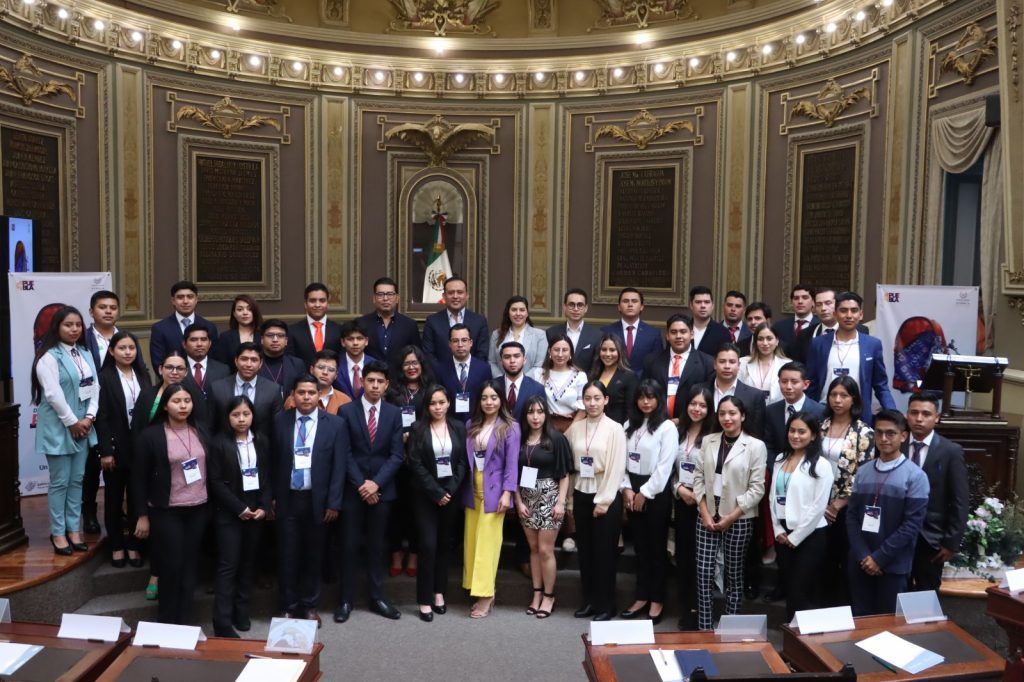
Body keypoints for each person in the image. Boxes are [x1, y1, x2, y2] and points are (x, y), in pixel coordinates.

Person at [272, 374, 347, 625]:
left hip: (318, 500)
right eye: (301, 393)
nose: (306, 397)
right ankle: (287, 606)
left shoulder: (335, 424)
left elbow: (339, 467)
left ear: (319, 396)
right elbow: (271, 463)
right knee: (287, 555)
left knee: (314, 556)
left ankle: (309, 606)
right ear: (292, 395)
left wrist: (334, 502)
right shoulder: (279, 422)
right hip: (287, 499)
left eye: (311, 393)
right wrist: (271, 497)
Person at [132, 384, 210, 625]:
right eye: (177, 401)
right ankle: (167, 621)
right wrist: (142, 515)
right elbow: (138, 478)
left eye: (187, 400)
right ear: (165, 405)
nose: (184, 405)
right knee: (171, 566)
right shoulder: (151, 435)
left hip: (198, 508)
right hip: (167, 511)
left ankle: (185, 621)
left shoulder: (201, 430)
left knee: (189, 567)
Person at [336, 361, 405, 623]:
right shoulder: (346, 411)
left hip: (382, 491)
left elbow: (397, 455)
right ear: (362, 382)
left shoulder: (393, 413)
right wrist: (362, 485)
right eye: (371, 380)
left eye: (380, 381)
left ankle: (377, 598)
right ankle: (345, 600)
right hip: (353, 491)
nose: (375, 385)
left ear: (387, 385)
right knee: (349, 546)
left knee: (378, 547)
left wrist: (376, 483)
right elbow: (345, 452)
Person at [692, 395, 766, 631]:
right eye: (722, 413)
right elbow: (698, 478)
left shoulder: (755, 446)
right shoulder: (708, 441)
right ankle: (705, 627)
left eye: (733, 413)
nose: (727, 418)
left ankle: (729, 629)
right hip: (707, 511)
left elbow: (757, 488)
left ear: (742, 416)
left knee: (734, 575)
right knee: (703, 572)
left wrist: (731, 517)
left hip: (738, 516)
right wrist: (704, 512)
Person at [846, 409, 929, 616]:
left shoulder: (915, 476)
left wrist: (879, 558)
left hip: (893, 566)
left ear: (903, 436)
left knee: (889, 626)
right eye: (879, 432)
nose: (883, 438)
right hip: (860, 562)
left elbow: (911, 525)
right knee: (861, 622)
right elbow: (852, 516)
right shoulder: (864, 471)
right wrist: (864, 555)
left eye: (890, 433)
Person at [130, 349, 198, 601]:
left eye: (180, 368)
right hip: (152, 469)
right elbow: (137, 429)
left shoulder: (191, 397)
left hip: (184, 479)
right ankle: (156, 574)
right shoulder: (148, 395)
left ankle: (165, 576)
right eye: (170, 367)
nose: (175, 372)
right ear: (160, 369)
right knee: (159, 530)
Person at [32, 305, 99, 555]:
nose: (74, 329)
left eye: (78, 325)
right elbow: (52, 394)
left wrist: (90, 416)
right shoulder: (47, 356)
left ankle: (74, 529)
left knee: (77, 480)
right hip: (61, 427)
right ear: (57, 327)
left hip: (84, 426)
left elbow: (95, 387)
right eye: (68, 325)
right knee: (60, 482)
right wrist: (73, 421)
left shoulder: (85, 353)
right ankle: (58, 533)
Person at [208, 396, 272, 637]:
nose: (242, 419)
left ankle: (241, 611)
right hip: (229, 513)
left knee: (248, 564)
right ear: (228, 418)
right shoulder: (218, 443)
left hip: (256, 512)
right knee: (228, 565)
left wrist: (264, 506)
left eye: (246, 414)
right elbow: (215, 482)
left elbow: (266, 476)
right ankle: (222, 621)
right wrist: (239, 508)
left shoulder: (262, 441)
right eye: (236, 415)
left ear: (253, 416)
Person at [405, 386, 468, 622]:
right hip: (425, 495)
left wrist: (449, 490)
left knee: (444, 544)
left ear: (449, 403)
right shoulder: (417, 428)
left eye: (442, 402)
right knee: (428, 545)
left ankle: (439, 592)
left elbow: (463, 462)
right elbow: (415, 463)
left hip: (449, 495)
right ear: (426, 406)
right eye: (433, 403)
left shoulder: (459, 427)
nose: (438, 407)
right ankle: (423, 599)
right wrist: (436, 492)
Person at [567, 381, 627, 622]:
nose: (592, 403)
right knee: (586, 553)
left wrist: (603, 501)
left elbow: (616, 467)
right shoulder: (575, 428)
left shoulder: (615, 429)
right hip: (582, 492)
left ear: (606, 400)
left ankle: (607, 605)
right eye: (588, 398)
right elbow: (571, 466)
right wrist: (570, 499)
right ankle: (589, 601)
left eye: (597, 398)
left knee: (604, 553)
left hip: (606, 495)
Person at [620, 379, 677, 625]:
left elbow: (665, 467)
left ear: (658, 400)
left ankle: (657, 598)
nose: (645, 402)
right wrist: (626, 489)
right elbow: (621, 461)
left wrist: (645, 492)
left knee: (655, 548)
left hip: (656, 493)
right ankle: (641, 595)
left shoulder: (666, 428)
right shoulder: (628, 426)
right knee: (640, 548)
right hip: (632, 489)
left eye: (650, 397)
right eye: (641, 397)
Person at [462, 379, 520, 618]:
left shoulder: (510, 427)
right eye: (485, 398)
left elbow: (512, 464)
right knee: (472, 542)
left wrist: (508, 493)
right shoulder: (470, 424)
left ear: (501, 400)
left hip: (495, 492)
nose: (489, 402)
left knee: (488, 544)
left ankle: (487, 594)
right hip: (472, 489)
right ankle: (476, 587)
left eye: (493, 398)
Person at [769, 412, 833, 621]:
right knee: (790, 588)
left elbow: (818, 507)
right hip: (783, 535)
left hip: (810, 536)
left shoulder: (821, 465)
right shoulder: (780, 459)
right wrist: (778, 529)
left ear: (813, 435)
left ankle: (803, 643)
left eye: (802, 431)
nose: (795, 435)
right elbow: (772, 497)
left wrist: (795, 537)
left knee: (802, 590)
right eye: (792, 430)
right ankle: (791, 638)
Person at [95, 331, 151, 568]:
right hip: (116, 450)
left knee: (139, 498)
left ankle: (134, 545)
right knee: (114, 499)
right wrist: (106, 450)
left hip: (141, 448)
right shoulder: (104, 377)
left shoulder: (143, 375)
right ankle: (117, 545)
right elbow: (102, 417)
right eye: (122, 348)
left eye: (132, 348)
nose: (128, 352)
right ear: (111, 351)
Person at [514, 395, 572, 619]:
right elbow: (514, 475)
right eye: (531, 412)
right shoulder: (520, 439)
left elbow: (564, 475)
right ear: (525, 415)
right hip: (526, 498)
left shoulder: (556, 439)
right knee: (534, 549)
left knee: (546, 550)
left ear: (546, 413)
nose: (535, 417)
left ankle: (549, 596)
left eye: (539, 412)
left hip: (549, 497)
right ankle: (536, 594)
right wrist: (518, 501)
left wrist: (560, 503)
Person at [820, 375, 875, 606]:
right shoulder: (820, 426)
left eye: (844, 395)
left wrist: (838, 504)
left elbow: (864, 474)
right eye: (834, 395)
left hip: (847, 509)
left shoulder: (864, 433)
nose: (838, 400)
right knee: (821, 562)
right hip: (817, 504)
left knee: (843, 560)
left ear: (854, 399)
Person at [906, 394, 969, 592]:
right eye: (914, 413)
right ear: (906, 415)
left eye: (926, 414)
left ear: (937, 417)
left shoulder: (950, 451)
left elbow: (960, 500)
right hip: (896, 534)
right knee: (896, 593)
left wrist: (951, 543)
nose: (919, 418)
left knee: (926, 595)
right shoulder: (893, 445)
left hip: (930, 538)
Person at [807, 291, 897, 424]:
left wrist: (892, 413)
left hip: (859, 414)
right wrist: (807, 413)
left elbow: (880, 385)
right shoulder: (818, 343)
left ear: (861, 314)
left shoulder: (872, 345)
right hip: (823, 412)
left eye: (854, 311)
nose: (849, 315)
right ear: (835, 314)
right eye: (843, 310)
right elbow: (811, 382)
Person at [385, 345, 436, 578]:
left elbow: (437, 420)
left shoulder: (430, 391)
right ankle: (396, 552)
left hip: (422, 459)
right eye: (407, 363)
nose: (412, 367)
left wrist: (415, 435)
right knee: (397, 509)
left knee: (418, 509)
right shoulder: (392, 391)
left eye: (415, 363)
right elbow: (384, 420)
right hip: (395, 458)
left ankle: (414, 554)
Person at [84, 290, 126, 535]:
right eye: (102, 307)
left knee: (118, 466)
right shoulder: (84, 339)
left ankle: (117, 510)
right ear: (92, 312)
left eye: (112, 307)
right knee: (91, 465)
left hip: (120, 411)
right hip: (90, 408)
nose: (108, 311)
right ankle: (89, 511)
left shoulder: (124, 338)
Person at [673, 385, 714, 630]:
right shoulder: (677, 432)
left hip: (704, 505)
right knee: (683, 557)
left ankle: (701, 609)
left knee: (702, 561)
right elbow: (668, 467)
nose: (696, 409)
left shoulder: (714, 436)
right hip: (680, 501)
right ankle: (686, 606)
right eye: (693, 404)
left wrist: (697, 496)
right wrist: (679, 488)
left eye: (702, 405)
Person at [643, 314, 714, 422]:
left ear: (692, 334)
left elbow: (708, 399)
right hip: (656, 423)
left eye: (683, 332)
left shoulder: (707, 363)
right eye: (673, 332)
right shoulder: (651, 361)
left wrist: (683, 420)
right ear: (667, 335)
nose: (678, 336)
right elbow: (644, 393)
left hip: (691, 424)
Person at [209, 342, 283, 437]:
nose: (248, 364)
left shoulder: (273, 390)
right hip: (225, 447)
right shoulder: (217, 388)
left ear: (260, 364)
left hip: (261, 448)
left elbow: (277, 427)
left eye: (254, 360)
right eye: (244, 359)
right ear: (236, 361)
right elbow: (211, 424)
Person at [699, 344, 766, 439]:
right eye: (722, 362)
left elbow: (757, 435)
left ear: (739, 365)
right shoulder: (699, 390)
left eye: (732, 362)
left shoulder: (755, 396)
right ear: (714, 364)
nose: (727, 366)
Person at [149, 280, 219, 370]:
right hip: (173, 381)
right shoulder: (159, 328)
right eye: (180, 297)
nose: (185, 301)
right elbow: (158, 363)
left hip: (204, 381)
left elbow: (214, 360)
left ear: (196, 300)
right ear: (173, 301)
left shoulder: (209, 327)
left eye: (190, 297)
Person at [422, 277, 490, 364]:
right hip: (440, 376)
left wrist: (470, 374)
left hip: (472, 376)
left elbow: (482, 354)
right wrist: (441, 374)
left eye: (460, 292)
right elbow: (428, 355)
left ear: (467, 295)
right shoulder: (432, 321)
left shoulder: (479, 321)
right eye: (450, 293)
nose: (455, 296)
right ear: (444, 296)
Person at [530, 333, 588, 432]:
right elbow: (533, 403)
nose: (560, 354)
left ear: (570, 353)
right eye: (556, 350)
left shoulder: (580, 376)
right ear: (549, 351)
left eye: (565, 350)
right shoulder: (539, 374)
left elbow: (583, 409)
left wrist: (569, 432)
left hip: (573, 427)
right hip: (545, 428)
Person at [359, 277, 422, 366]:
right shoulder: (362, 323)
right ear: (374, 298)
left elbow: (417, 356)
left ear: (397, 298)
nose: (385, 298)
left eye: (390, 294)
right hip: (372, 377)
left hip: (400, 377)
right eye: (380, 294)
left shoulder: (409, 325)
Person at [600, 287, 663, 377]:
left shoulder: (653, 334)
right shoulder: (605, 331)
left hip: (642, 387)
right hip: (613, 385)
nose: (630, 304)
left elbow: (657, 365)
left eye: (634, 301)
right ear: (619, 307)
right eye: (625, 301)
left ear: (641, 307)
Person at [435, 324, 492, 419]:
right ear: (449, 344)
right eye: (455, 341)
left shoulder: (484, 369)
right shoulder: (440, 369)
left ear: (471, 343)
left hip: (477, 423)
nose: (460, 345)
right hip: (449, 425)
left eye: (464, 340)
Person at [487, 295, 549, 377]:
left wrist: (521, 383)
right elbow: (492, 362)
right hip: (501, 386)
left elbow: (538, 366)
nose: (518, 313)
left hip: (529, 385)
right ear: (508, 313)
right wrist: (503, 381)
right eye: (514, 310)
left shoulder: (540, 335)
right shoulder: (496, 334)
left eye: (522, 310)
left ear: (527, 313)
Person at [547, 288, 602, 373]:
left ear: (586, 308)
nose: (576, 309)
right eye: (571, 305)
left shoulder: (597, 335)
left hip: (586, 384)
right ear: (564, 307)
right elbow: (547, 363)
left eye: (580, 305)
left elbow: (597, 367)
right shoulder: (551, 333)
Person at [288, 283, 342, 368]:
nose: (317, 305)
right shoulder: (292, 331)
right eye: (313, 301)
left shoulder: (339, 330)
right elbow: (290, 362)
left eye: (322, 300)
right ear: (305, 304)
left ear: (328, 303)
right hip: (303, 379)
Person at [590, 333, 639, 425]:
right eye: (604, 350)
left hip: (618, 430)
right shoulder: (593, 375)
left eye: (612, 350)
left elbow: (632, 410)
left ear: (620, 352)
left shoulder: (629, 377)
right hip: (593, 428)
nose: (608, 354)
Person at [284, 349, 351, 414]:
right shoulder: (294, 399)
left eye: (331, 370)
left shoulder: (345, 400)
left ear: (336, 375)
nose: (325, 372)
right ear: (311, 370)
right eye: (321, 367)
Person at [739, 323, 789, 405]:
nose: (765, 343)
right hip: (748, 410)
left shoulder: (787, 365)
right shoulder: (743, 363)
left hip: (775, 412)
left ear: (777, 341)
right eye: (760, 339)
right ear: (755, 342)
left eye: (769, 338)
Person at [495, 341, 545, 420]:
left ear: (524, 359)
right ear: (501, 361)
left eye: (516, 356)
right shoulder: (492, 387)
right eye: (507, 357)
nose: (512, 361)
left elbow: (541, 420)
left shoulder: (537, 389)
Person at [260, 319, 308, 401]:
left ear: (286, 341)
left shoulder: (297, 364)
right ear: (262, 339)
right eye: (270, 335)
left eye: (280, 336)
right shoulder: (253, 363)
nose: (275, 339)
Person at [214, 295, 264, 365]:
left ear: (255, 312)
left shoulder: (264, 335)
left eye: (249, 309)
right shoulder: (225, 337)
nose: (245, 313)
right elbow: (221, 365)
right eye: (240, 309)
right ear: (234, 314)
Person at [335, 320, 377, 401]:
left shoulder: (375, 364)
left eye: (359, 338)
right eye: (350, 339)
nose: (355, 343)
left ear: (366, 341)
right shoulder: (335, 364)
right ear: (343, 342)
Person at [771, 283, 817, 356]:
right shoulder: (779, 326)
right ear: (791, 302)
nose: (800, 301)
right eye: (796, 298)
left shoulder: (820, 326)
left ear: (813, 302)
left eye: (805, 297)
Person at [688, 286, 731, 355]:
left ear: (712, 305)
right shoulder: (682, 330)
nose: (703, 306)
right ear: (691, 305)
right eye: (698, 302)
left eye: (707, 302)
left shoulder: (723, 333)